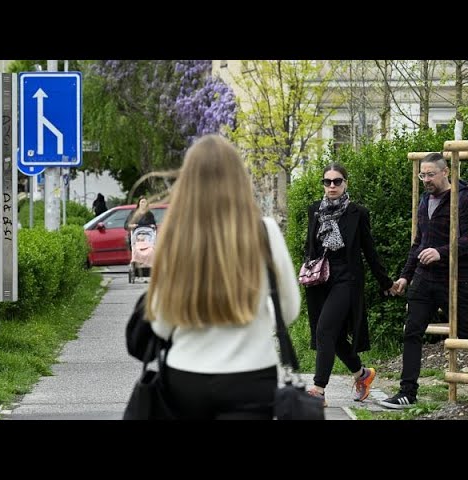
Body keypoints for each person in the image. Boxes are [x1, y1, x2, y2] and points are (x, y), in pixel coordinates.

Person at [142, 134, 300, 419]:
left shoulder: (173, 235)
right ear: (239, 180)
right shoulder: (265, 232)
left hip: (186, 376)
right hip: (252, 375)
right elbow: (287, 311)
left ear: (187, 183)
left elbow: (161, 325)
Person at [380, 152, 468, 409]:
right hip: (423, 279)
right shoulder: (423, 201)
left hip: (454, 278)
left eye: (431, 174)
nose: (426, 179)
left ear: (446, 172)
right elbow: (418, 244)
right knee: (412, 332)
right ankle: (407, 392)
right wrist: (405, 276)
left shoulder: (462, 198)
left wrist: (442, 251)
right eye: (423, 175)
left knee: (464, 332)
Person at [303, 163, 394, 406]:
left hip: (346, 279)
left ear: (346, 184)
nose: (332, 186)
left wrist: (385, 281)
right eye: (327, 181)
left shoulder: (358, 213)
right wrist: (306, 271)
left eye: (337, 181)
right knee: (334, 336)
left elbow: (369, 250)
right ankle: (362, 375)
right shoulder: (315, 210)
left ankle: (319, 390)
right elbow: (309, 246)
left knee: (324, 330)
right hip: (320, 279)